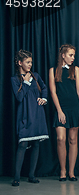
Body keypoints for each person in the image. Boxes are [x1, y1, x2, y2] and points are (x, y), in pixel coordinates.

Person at [11, 50, 50, 186]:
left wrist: (43, 98)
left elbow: (44, 88)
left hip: (37, 114)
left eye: (31, 62)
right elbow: (19, 97)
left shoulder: (36, 76)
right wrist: (26, 83)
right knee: (22, 144)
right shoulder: (15, 79)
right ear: (20, 63)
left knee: (36, 143)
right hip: (25, 115)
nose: (30, 65)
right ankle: (16, 177)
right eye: (27, 62)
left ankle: (31, 175)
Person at [49, 44, 79, 181]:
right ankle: (62, 170)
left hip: (74, 108)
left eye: (74, 55)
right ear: (63, 55)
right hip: (61, 108)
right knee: (61, 139)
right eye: (71, 55)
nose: (73, 58)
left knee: (72, 139)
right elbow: (53, 92)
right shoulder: (53, 70)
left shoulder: (75, 69)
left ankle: (71, 172)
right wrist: (59, 111)